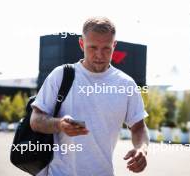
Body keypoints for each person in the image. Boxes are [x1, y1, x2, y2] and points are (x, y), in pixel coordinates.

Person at [30, 17, 149, 176]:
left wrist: (142, 149)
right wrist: (59, 124)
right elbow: (35, 120)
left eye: (106, 48)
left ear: (114, 45)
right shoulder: (61, 76)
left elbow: (139, 127)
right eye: (92, 47)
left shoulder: (126, 84)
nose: (99, 55)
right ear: (81, 44)